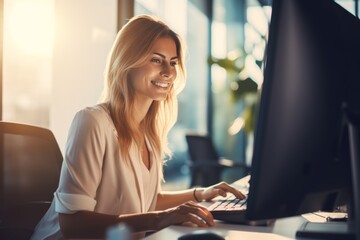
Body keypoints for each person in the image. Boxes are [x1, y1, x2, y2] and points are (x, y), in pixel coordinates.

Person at [31, 14, 245, 239]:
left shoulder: (148, 132)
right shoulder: (93, 122)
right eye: (156, 59)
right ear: (127, 61)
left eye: (172, 62)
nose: (168, 72)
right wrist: (161, 217)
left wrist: (200, 193)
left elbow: (147, 199)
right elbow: (72, 223)